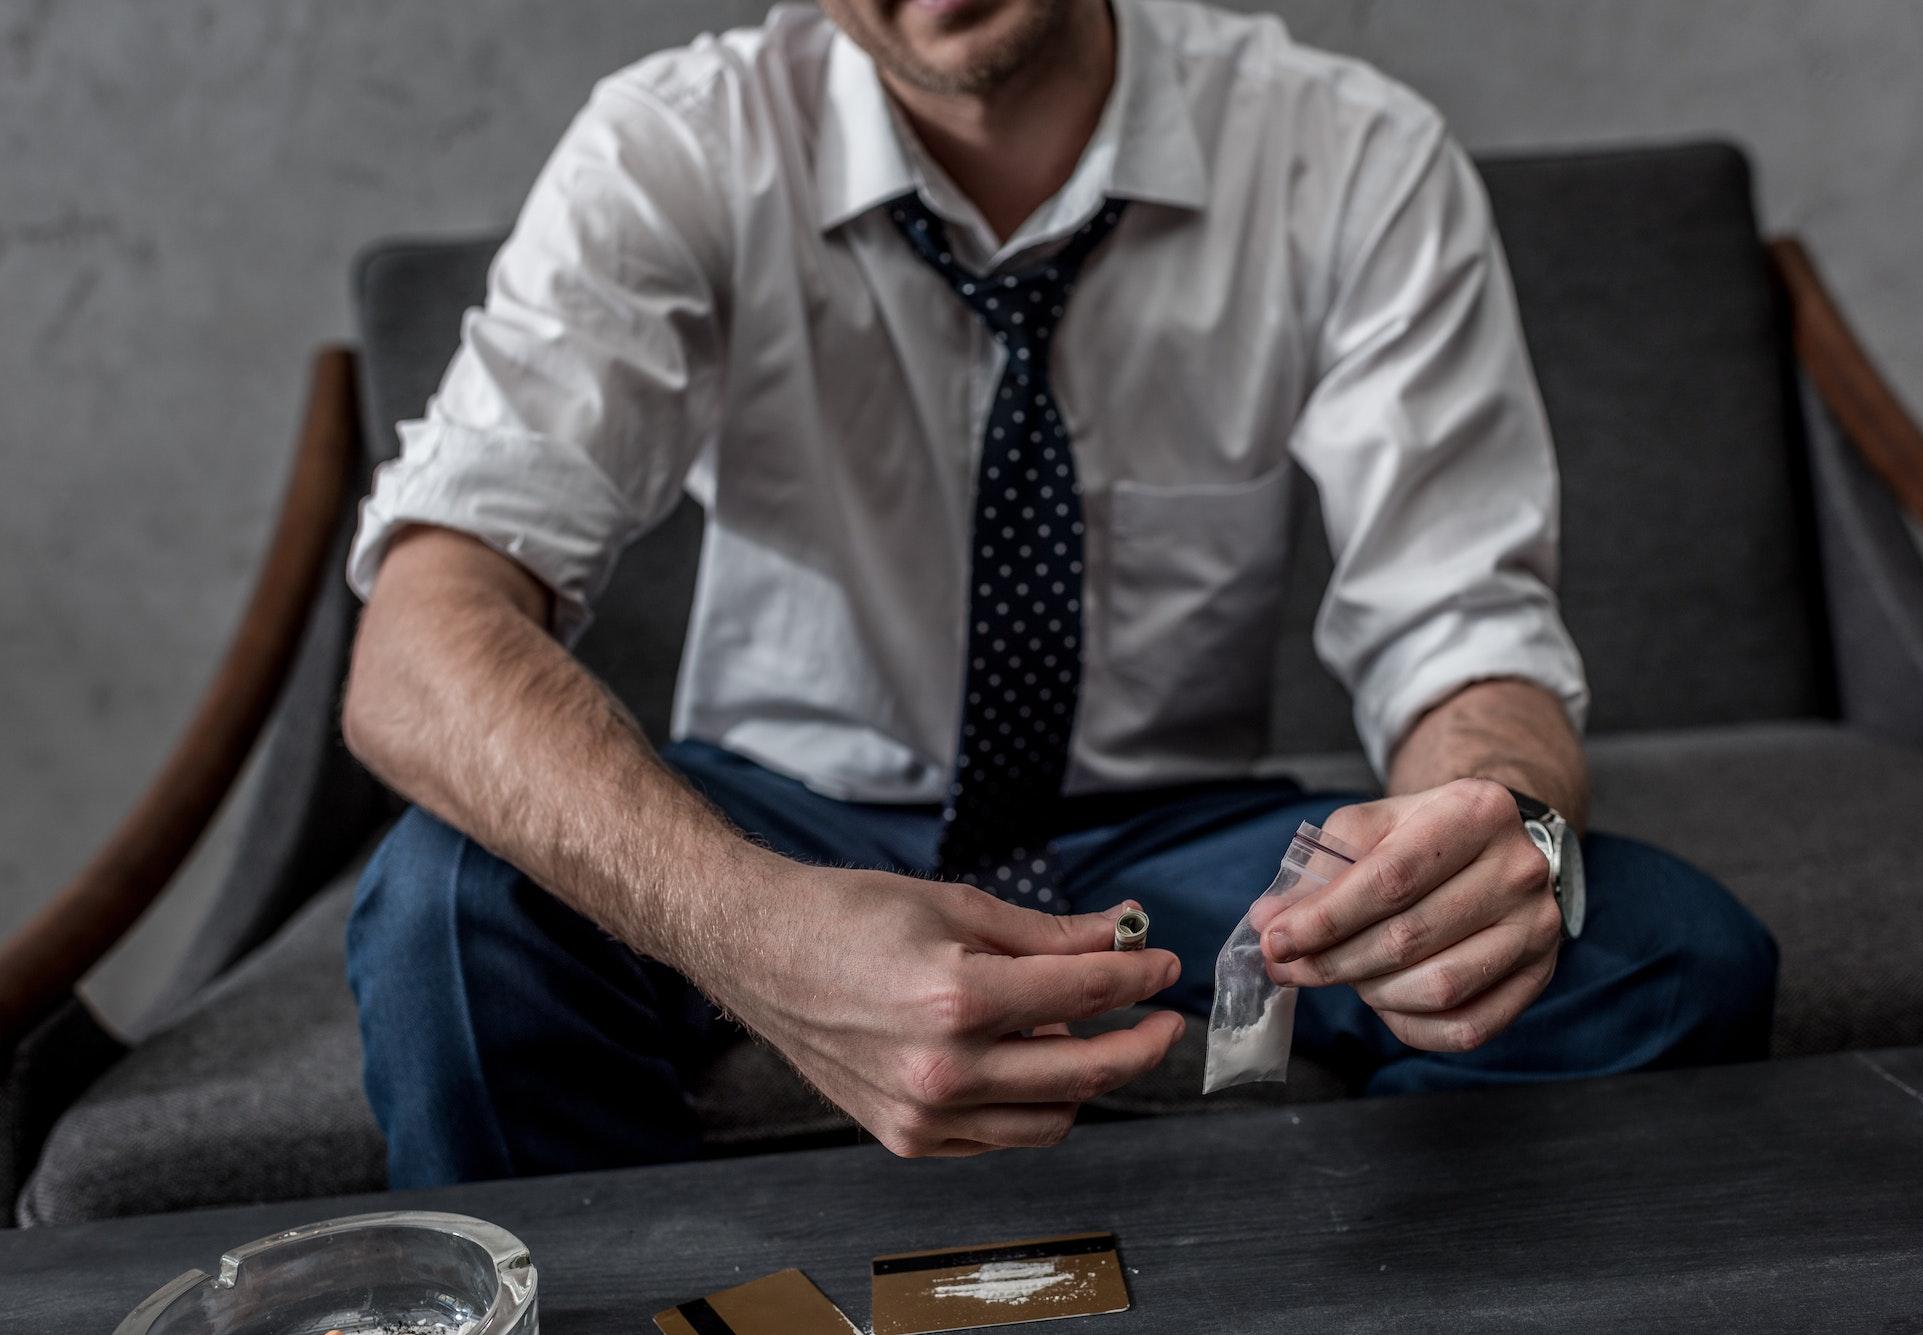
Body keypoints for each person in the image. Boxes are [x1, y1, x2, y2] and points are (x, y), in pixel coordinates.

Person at [342, 0, 1778, 1188]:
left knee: (1658, 950)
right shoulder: (676, 144)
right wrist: (757, 930)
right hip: (786, 821)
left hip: (1171, 841)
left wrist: (1490, 827)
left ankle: (1354, 1290)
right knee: (447, 905)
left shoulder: (1350, 152)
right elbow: (420, 645)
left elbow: (1466, 633)